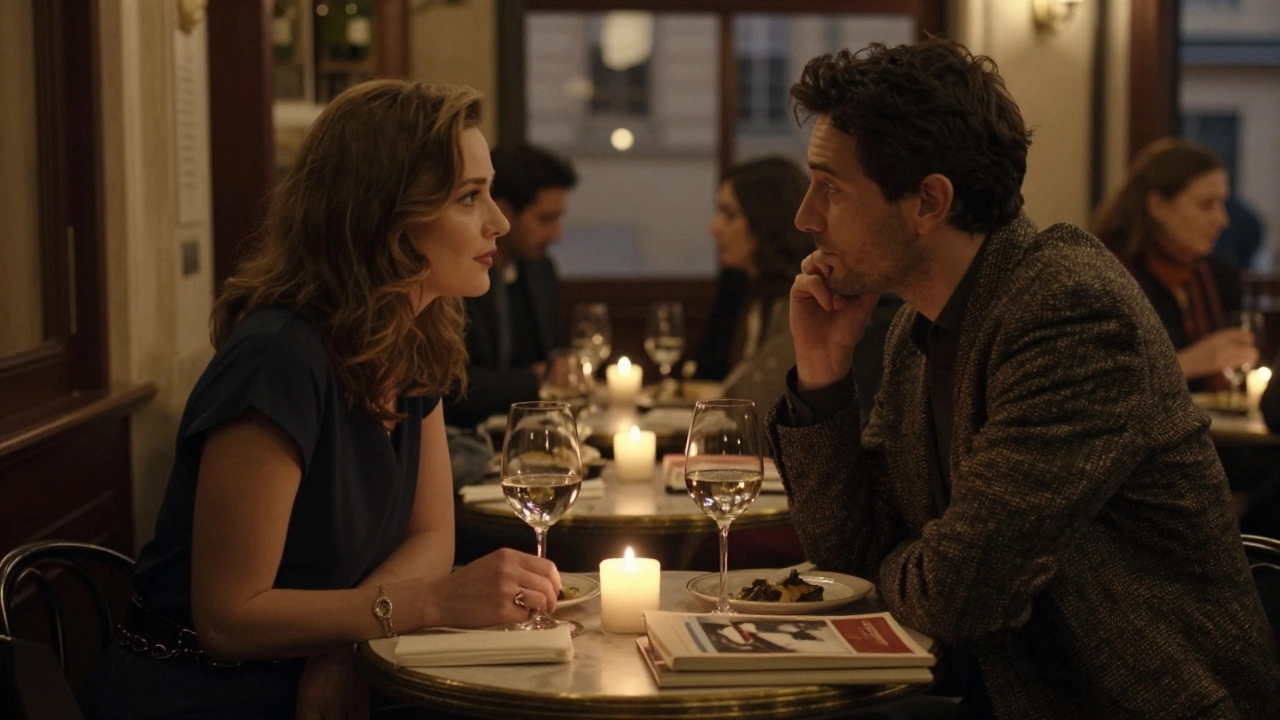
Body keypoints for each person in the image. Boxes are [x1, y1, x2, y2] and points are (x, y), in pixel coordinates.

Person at [770, 39, 1280, 719]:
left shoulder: (1066, 310)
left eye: (830, 187)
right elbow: (848, 557)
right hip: (997, 690)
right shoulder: (915, 334)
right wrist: (825, 371)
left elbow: (960, 599)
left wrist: (901, 566)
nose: (805, 216)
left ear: (928, 202)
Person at [80, 81, 563, 719]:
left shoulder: (415, 334)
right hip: (206, 690)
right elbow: (230, 615)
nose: (498, 221)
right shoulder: (279, 356)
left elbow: (430, 538)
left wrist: (349, 643)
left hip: (323, 670)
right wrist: (431, 605)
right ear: (384, 214)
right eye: (469, 197)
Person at [1093, 138, 1277, 520]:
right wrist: (1194, 361)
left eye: (1223, 204)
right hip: (1146, 462)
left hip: (1221, 446)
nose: (1222, 220)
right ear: (1158, 205)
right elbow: (1103, 391)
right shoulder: (1110, 276)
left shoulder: (1219, 276)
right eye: (1206, 204)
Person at [695, 156, 902, 416]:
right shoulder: (745, 289)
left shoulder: (811, 298)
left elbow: (764, 408)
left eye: (729, 214)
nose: (714, 227)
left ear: (766, 220)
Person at [443, 144, 576, 431]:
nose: (556, 234)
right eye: (545, 219)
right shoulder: (455, 274)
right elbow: (448, 387)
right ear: (504, 211)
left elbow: (557, 355)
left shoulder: (540, 269)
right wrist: (534, 378)